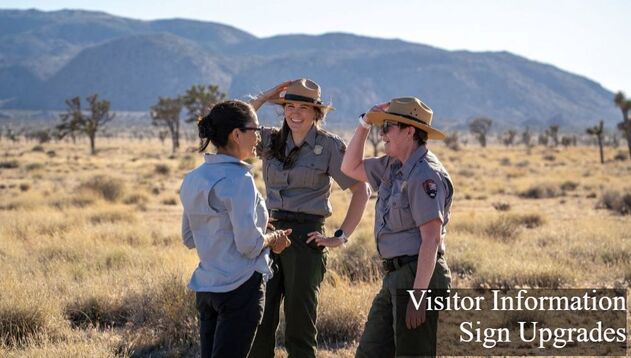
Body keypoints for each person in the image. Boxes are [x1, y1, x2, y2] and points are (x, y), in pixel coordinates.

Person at [248, 79, 371, 358]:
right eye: (289, 106)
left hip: (305, 238)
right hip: (267, 234)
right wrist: (267, 95)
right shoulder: (270, 140)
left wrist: (340, 237)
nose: (295, 113)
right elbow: (233, 124)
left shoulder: (329, 146)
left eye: (303, 107)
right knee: (258, 321)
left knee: (300, 326)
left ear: (317, 112)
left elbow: (361, 190)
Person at [341, 97, 453, 357]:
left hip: (418, 276)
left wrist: (418, 295)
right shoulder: (392, 166)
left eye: (388, 127)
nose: (382, 134)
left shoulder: (425, 174)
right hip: (394, 276)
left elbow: (431, 240)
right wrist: (364, 123)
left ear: (410, 131)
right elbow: (349, 167)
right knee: (370, 352)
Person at [179, 100, 292, 358]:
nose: (259, 135)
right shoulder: (239, 180)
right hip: (239, 288)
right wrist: (273, 238)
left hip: (207, 287)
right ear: (237, 134)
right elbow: (249, 245)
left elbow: (188, 237)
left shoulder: (193, 178)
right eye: (255, 128)